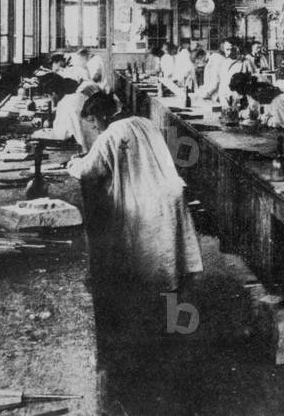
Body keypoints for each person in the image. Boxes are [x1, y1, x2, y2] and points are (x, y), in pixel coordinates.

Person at [67, 92, 203, 296]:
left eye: (93, 121)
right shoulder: (144, 122)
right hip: (169, 191)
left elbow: (89, 171)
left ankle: (155, 306)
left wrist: (72, 164)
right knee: (171, 254)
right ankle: (173, 299)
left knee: (149, 258)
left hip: (145, 200)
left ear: (102, 115)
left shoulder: (110, 134)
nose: (94, 127)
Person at [229, 73, 284, 139]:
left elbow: (283, 128)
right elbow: (255, 111)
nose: (255, 96)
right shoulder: (260, 97)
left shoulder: (278, 101)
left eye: (256, 93)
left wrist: (263, 121)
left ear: (266, 89)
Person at [32, 80, 101, 151]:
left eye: (49, 96)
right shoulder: (81, 97)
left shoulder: (63, 103)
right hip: (96, 139)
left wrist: (39, 134)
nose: (50, 100)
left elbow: (62, 135)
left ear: (54, 93)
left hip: (81, 145)